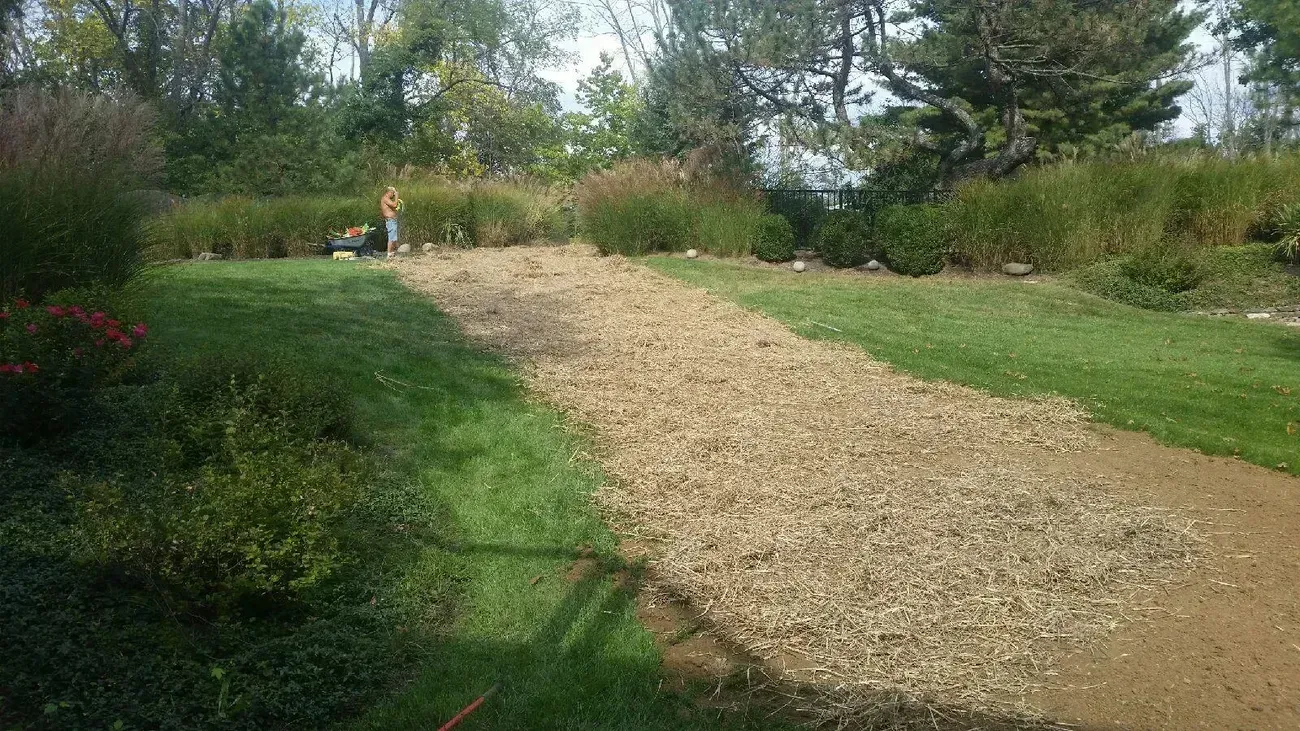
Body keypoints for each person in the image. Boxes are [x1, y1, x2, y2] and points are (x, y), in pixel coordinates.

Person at [380, 186, 400, 259]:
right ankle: (389, 254)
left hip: (392, 220)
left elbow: (394, 206)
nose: (393, 195)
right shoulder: (385, 198)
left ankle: (392, 253)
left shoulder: (387, 199)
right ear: (389, 192)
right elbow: (395, 204)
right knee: (391, 237)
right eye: (393, 193)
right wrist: (397, 196)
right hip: (390, 220)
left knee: (394, 237)